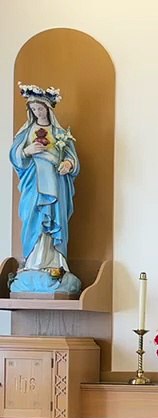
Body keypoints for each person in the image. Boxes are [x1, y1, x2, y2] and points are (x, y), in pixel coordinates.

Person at [8, 83, 81, 295]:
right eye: (33, 109)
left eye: (40, 108)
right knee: (33, 219)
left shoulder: (60, 133)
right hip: (33, 186)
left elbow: (71, 157)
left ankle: (54, 263)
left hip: (56, 187)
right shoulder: (26, 131)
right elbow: (15, 155)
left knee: (54, 222)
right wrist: (27, 150)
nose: (37, 112)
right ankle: (33, 264)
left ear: (48, 109)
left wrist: (68, 164)